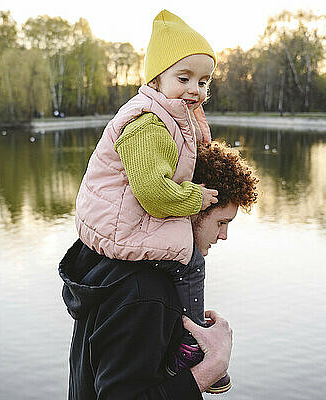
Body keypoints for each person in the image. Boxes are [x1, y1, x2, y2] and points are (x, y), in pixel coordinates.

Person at [73, 9, 230, 392]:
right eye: (184, 78)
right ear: (156, 78)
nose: (195, 89)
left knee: (186, 265)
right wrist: (209, 370)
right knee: (190, 265)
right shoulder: (143, 295)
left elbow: (185, 153)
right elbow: (155, 193)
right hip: (122, 221)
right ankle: (192, 346)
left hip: (120, 222)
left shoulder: (172, 116)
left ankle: (186, 341)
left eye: (204, 81)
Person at [60, 141, 259, 399]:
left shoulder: (113, 262)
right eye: (221, 222)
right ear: (188, 209)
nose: (224, 236)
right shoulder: (147, 293)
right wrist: (213, 366)